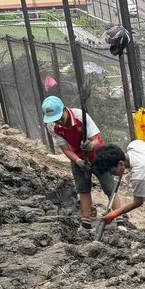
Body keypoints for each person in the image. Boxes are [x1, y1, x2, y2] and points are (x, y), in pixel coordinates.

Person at [42, 96, 117, 229]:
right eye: (54, 119)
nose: (59, 121)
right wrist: (77, 161)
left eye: (60, 117)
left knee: (109, 187)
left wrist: (90, 146)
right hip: (77, 155)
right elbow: (65, 148)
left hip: (97, 154)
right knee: (83, 188)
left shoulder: (81, 116)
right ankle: (86, 221)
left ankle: (120, 218)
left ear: (65, 110)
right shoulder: (52, 126)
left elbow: (97, 141)